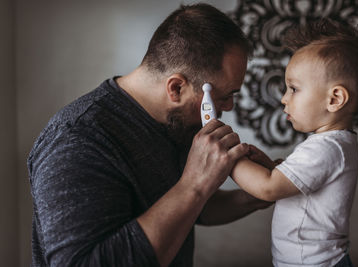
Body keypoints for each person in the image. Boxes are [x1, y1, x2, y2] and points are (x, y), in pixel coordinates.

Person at [27, 3, 273, 267]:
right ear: (176, 87)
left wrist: (259, 193)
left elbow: (191, 210)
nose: (228, 107)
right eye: (224, 97)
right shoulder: (75, 140)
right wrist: (194, 184)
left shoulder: (176, 123)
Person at [231, 19, 358, 267]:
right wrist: (272, 169)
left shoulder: (326, 148)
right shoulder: (333, 144)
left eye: (294, 89)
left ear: (334, 99)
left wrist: (226, 158)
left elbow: (268, 189)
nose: (284, 99)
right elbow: (290, 185)